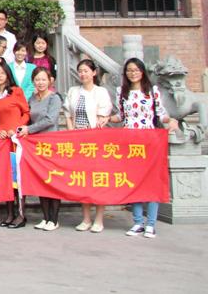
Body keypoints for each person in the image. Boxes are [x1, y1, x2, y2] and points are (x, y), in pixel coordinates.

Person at [111, 57, 178, 238]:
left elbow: (161, 114)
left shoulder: (152, 91)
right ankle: (138, 222)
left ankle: (151, 224)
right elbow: (121, 116)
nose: (133, 73)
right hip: (129, 142)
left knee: (151, 182)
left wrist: (171, 120)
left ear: (142, 72)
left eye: (136, 70)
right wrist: (106, 118)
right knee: (134, 181)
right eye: (129, 70)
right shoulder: (121, 92)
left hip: (149, 142)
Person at [65, 59, 112, 233]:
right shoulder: (73, 91)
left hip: (96, 141)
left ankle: (99, 219)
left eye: (86, 70)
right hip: (78, 140)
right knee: (82, 180)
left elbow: (103, 116)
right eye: (80, 71)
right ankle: (86, 218)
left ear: (94, 72)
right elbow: (68, 115)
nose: (83, 74)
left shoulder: (101, 92)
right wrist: (72, 134)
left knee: (98, 180)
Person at [17, 67, 63, 231]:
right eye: (37, 79)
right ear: (33, 81)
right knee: (41, 180)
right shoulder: (32, 98)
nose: (40, 82)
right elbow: (28, 117)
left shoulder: (54, 98)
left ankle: (54, 219)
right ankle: (45, 218)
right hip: (36, 144)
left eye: (44, 79)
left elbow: (50, 119)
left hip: (51, 143)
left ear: (50, 80)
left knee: (53, 180)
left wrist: (29, 129)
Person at [0, 62, 30, 228]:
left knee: (18, 177)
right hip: (3, 141)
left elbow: (26, 112)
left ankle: (21, 214)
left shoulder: (16, 91)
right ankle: (9, 213)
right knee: (7, 177)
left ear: (7, 74)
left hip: (17, 139)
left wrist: (17, 128)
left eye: (2, 72)